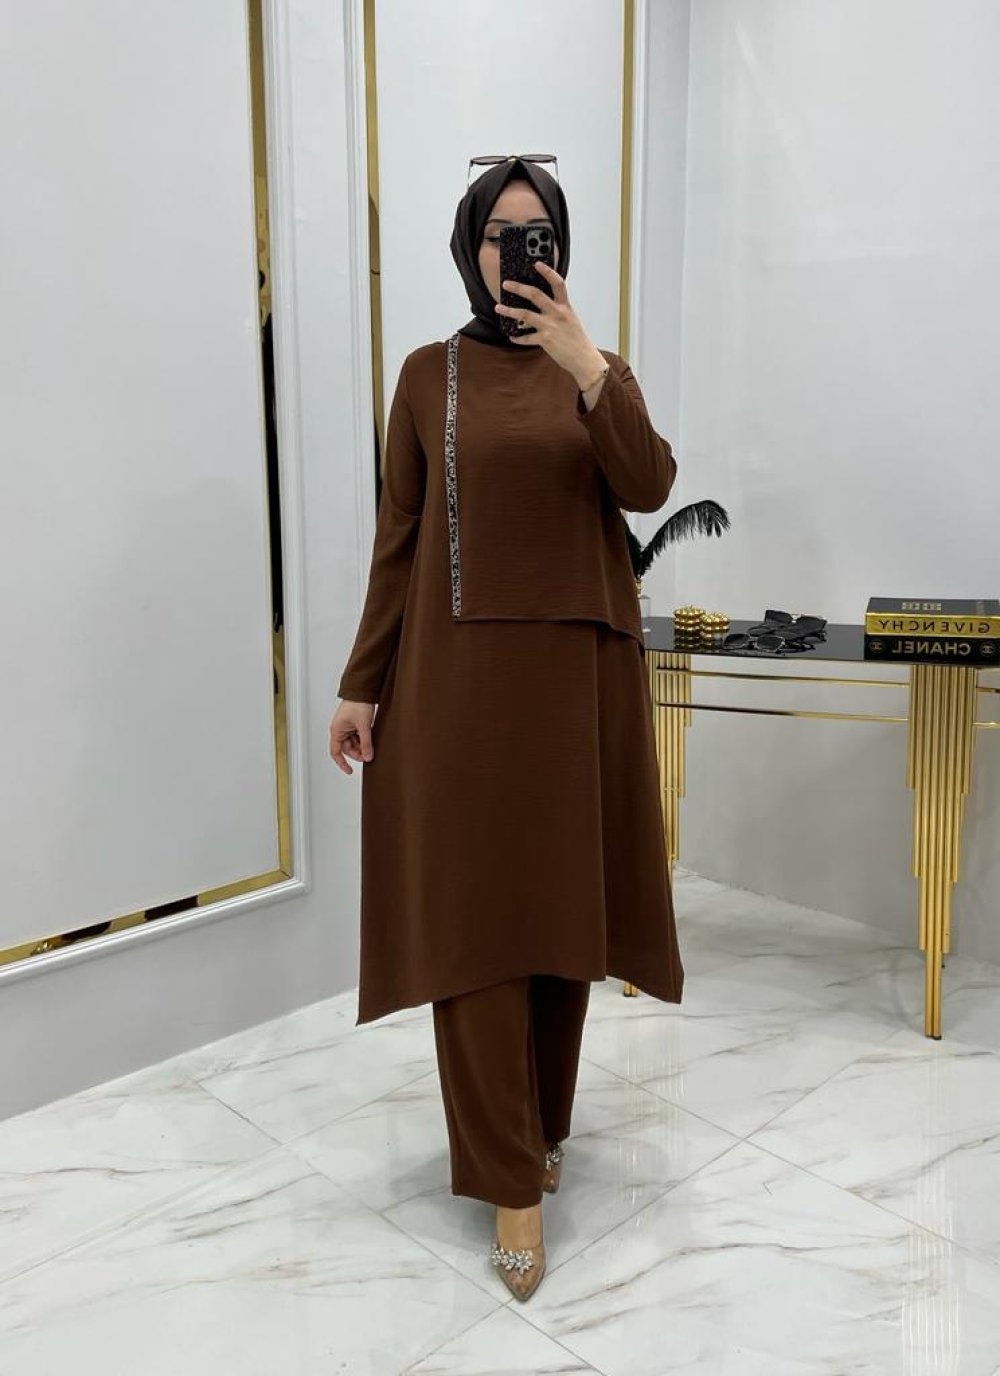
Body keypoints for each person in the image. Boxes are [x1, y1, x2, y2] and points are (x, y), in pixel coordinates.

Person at [329, 154, 684, 1301]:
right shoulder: (424, 374)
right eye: (497, 233)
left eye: (537, 234)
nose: (516, 253)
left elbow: (647, 483)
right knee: (477, 927)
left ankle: (541, 1125)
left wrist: (587, 366)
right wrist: (360, 681)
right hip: (460, 687)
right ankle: (508, 1179)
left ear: (560, 249)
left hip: (576, 683)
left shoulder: (598, 369)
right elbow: (398, 536)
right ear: (468, 245)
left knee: (560, 918)